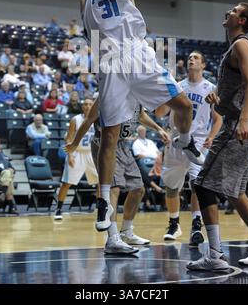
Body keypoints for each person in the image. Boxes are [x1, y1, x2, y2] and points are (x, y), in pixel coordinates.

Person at [61, 0, 197, 232]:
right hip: (109, 65)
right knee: (108, 136)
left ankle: (184, 141)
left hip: (138, 57)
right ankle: (103, 203)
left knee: (182, 105)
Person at [186, 3, 248, 271]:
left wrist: (244, 119)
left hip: (239, 125)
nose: (228, 12)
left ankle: (214, 255)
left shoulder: (242, 45)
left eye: (234, 10)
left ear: (242, 19)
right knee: (235, 191)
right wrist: (219, 101)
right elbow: (238, 91)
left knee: (202, 184)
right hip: (239, 121)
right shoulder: (236, 46)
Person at [64, 98, 170, 254]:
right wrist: (74, 144)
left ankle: (126, 232)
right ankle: (112, 239)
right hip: (105, 145)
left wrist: (158, 128)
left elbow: (140, 116)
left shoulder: (136, 95)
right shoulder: (107, 94)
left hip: (123, 145)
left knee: (138, 189)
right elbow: (88, 121)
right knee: (114, 188)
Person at [156, 51, 222, 246]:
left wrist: (211, 136)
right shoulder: (177, 86)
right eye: (190, 58)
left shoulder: (211, 88)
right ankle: (174, 224)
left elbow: (218, 119)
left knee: (197, 184)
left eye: (196, 58)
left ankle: (196, 224)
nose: (191, 60)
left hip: (199, 141)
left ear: (203, 65)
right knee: (171, 186)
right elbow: (160, 113)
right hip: (176, 140)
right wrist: (162, 93)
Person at [54, 98, 97, 220]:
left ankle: (100, 209)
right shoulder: (75, 120)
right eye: (85, 104)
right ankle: (58, 209)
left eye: (90, 104)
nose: (88, 106)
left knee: (101, 183)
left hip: (91, 154)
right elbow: (68, 139)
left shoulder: (98, 119)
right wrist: (70, 155)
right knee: (66, 183)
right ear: (82, 107)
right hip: (77, 153)